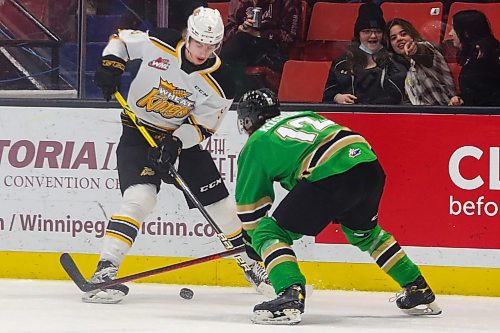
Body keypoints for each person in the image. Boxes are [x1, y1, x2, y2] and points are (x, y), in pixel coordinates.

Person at [85, 6, 269, 304]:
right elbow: (120, 40)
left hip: (179, 143)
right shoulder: (161, 42)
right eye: (199, 43)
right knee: (140, 197)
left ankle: (251, 265)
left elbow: (204, 126)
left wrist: (176, 143)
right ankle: (105, 270)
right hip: (138, 133)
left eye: (211, 46)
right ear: (189, 35)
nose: (203, 51)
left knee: (219, 205)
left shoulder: (223, 81)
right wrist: (111, 64)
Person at [235, 88, 442, 325]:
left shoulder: (256, 142)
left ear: (247, 119)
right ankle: (417, 288)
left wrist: (253, 242)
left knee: (268, 232)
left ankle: (289, 295)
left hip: (330, 172)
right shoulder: (303, 116)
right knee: (366, 235)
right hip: (368, 165)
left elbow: (251, 209)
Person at [322, 3, 406, 104]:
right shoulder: (341, 63)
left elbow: (400, 98)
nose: (373, 36)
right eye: (367, 31)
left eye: (378, 31)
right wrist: (337, 97)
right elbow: (327, 96)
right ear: (359, 35)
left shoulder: (395, 62)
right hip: (349, 116)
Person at [220, 0, 300, 99]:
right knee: (236, 43)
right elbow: (227, 32)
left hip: (273, 52)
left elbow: (290, 36)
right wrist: (240, 29)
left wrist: (258, 34)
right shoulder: (238, 2)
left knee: (237, 45)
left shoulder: (286, 2)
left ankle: (231, 95)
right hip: (243, 46)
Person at [385, 18, 456, 105]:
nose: (399, 39)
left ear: (412, 35)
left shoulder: (429, 50)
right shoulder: (405, 70)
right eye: (393, 38)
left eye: (403, 34)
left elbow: (423, 52)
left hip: (444, 113)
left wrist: (415, 51)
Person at [448, 10, 500, 107]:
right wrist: (461, 98)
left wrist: (466, 101)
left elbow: (488, 99)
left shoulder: (484, 61)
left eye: (454, 28)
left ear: (466, 33)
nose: (450, 33)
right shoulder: (474, 56)